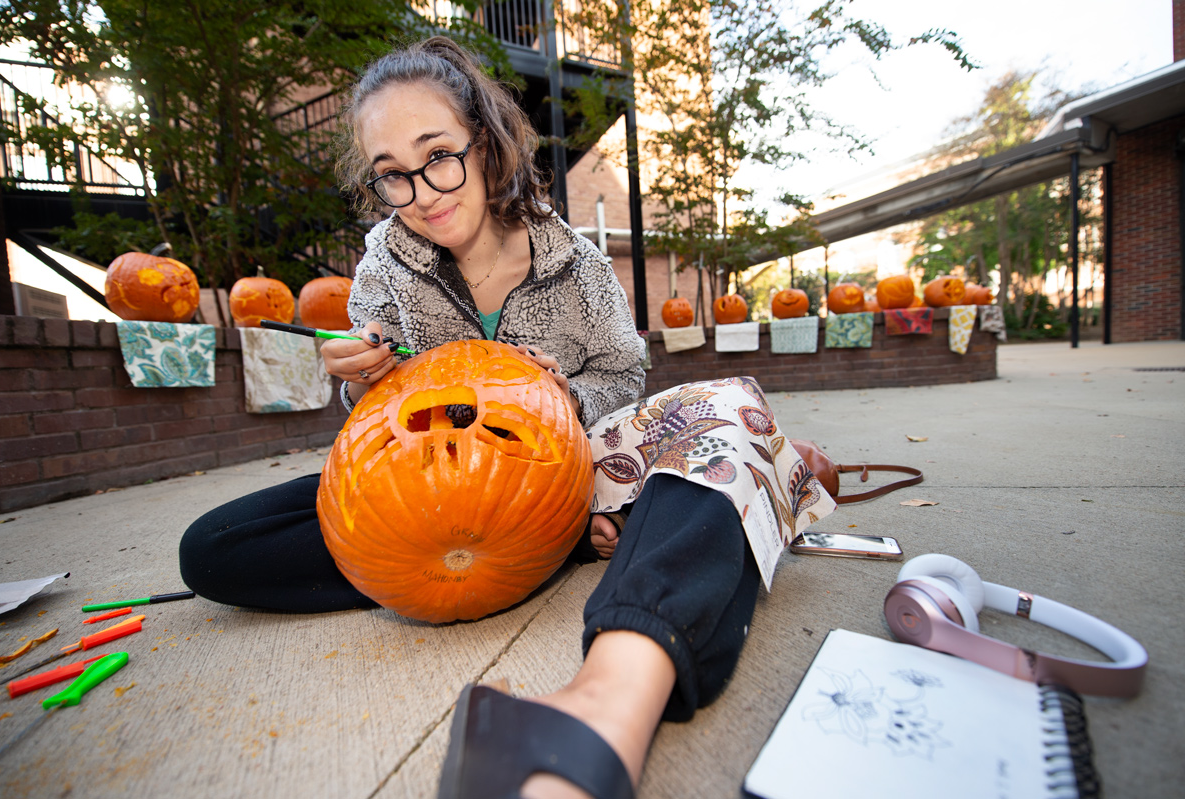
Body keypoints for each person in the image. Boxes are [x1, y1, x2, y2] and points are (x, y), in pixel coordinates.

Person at [178, 36, 836, 798]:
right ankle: (522, 557)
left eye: (438, 155)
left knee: (726, 414)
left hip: (570, 468)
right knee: (216, 547)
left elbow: (626, 371)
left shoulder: (576, 265)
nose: (423, 190)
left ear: (485, 144)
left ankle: (606, 695)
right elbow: (371, 429)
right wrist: (364, 379)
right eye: (392, 174)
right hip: (428, 491)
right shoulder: (382, 271)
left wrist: (565, 398)